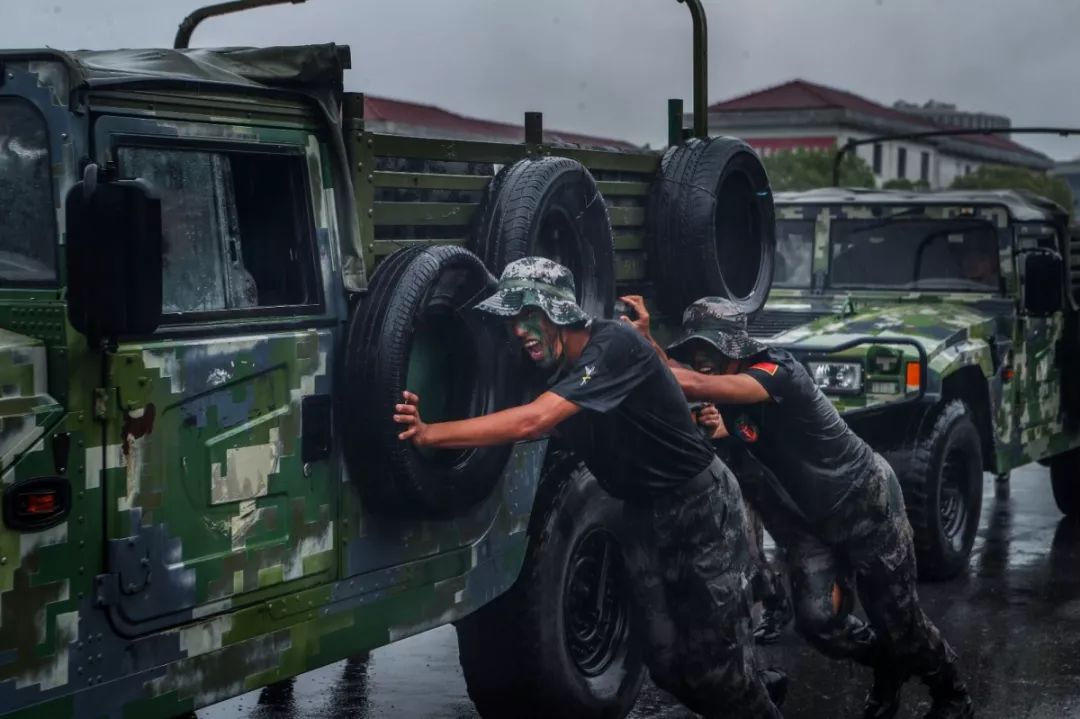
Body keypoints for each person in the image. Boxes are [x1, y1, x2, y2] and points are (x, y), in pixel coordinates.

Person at [393, 257, 784, 719]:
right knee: (663, 662)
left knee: (722, 672)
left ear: (559, 312)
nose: (519, 330)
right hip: (638, 512)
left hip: (699, 506)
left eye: (529, 315)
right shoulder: (545, 365)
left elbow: (534, 420)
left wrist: (428, 433)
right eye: (513, 319)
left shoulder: (613, 344)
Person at [621, 294, 974, 719]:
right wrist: (647, 340)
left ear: (735, 348)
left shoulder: (777, 371)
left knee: (901, 623)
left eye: (710, 350)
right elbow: (686, 379)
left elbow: (691, 383)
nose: (701, 360)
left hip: (866, 507)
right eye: (694, 352)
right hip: (811, 525)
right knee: (819, 623)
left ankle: (952, 693)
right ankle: (885, 665)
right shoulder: (723, 396)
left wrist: (644, 351)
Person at [684, 354, 793, 645]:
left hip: (744, 482)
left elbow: (753, 437)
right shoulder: (687, 383)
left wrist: (721, 429)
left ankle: (773, 604)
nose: (702, 364)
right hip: (704, 485)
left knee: (748, 555)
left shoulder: (744, 386)